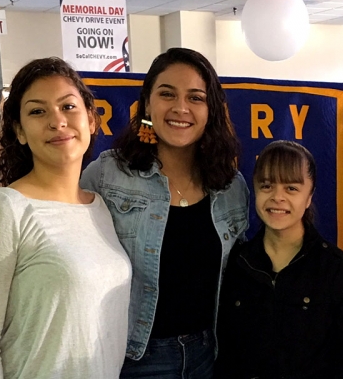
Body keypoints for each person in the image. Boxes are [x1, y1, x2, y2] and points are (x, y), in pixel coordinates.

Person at [81, 47, 249, 378]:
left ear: (211, 109)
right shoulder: (107, 174)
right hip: (133, 358)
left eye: (196, 97)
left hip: (208, 356)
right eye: (167, 94)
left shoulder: (231, 186)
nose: (181, 108)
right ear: (147, 103)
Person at [0, 58, 131, 378]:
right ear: (20, 132)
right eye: (38, 111)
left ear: (91, 120)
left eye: (68, 106)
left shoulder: (100, 208)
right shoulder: (6, 210)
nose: (57, 121)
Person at [215, 140, 343, 379]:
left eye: (291, 188)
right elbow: (224, 352)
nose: (277, 197)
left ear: (309, 197)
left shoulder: (337, 269)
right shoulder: (236, 263)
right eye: (267, 186)